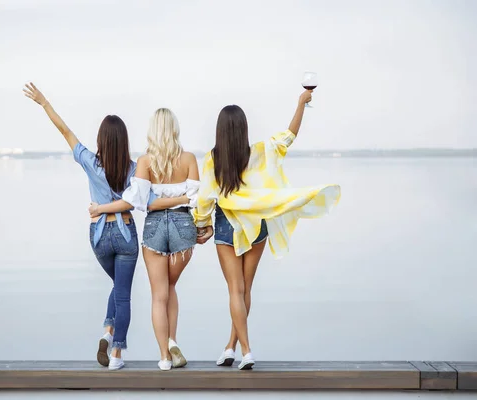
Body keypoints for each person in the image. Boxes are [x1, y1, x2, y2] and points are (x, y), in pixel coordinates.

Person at [194, 90, 341, 370]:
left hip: (227, 225)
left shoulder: (212, 159)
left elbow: (204, 198)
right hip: (256, 225)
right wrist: (300, 104)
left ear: (220, 132)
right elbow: (289, 135)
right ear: (243, 130)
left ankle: (244, 350)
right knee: (245, 289)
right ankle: (232, 347)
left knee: (235, 291)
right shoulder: (260, 152)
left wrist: (202, 225)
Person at [23, 82, 140, 371]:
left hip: (99, 236)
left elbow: (65, 131)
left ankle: (106, 332)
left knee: (118, 286)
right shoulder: (133, 168)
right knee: (123, 293)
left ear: (101, 139)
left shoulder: (90, 161)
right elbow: (133, 201)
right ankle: (116, 355)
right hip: (125, 233)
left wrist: (44, 102)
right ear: (124, 141)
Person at [89, 108, 199, 370]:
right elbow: (197, 199)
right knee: (171, 289)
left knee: (158, 295)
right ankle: (173, 340)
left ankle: (164, 356)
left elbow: (139, 201)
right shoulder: (189, 159)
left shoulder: (145, 162)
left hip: (154, 229)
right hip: (184, 225)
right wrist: (192, 212)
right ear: (174, 129)